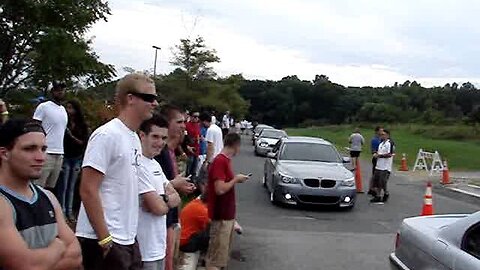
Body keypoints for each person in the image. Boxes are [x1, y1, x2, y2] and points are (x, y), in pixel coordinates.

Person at [76, 73, 158, 270]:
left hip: (127, 237)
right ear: (130, 99)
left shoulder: (133, 138)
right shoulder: (107, 135)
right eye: (149, 97)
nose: (155, 103)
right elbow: (88, 189)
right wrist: (105, 239)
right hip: (103, 238)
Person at [0, 119, 82, 269]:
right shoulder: (3, 203)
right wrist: (57, 247)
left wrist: (40, 263)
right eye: (29, 149)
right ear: (5, 154)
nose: (40, 157)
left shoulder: (48, 198)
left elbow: (75, 255)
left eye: (43, 149)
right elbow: (25, 266)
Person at [137, 115, 182, 270]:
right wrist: (164, 201)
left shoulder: (155, 164)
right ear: (142, 135)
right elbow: (157, 208)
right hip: (142, 250)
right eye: (155, 137)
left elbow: (176, 198)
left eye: (163, 138)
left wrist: (161, 199)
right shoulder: (137, 164)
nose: (160, 143)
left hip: (158, 247)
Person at [155, 104, 196, 270]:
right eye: (179, 122)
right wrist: (175, 184)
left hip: (171, 217)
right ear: (167, 124)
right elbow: (155, 189)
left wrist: (180, 186)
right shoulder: (159, 153)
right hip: (162, 220)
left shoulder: (171, 151)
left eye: (184, 122)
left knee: (169, 261)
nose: (183, 126)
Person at [206, 133, 249, 270]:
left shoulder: (226, 161)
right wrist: (235, 179)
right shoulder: (220, 161)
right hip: (221, 216)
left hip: (227, 216)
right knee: (216, 258)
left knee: (222, 256)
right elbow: (219, 189)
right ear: (236, 145)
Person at [33, 82, 68, 190]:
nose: (61, 92)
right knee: (38, 185)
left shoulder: (63, 110)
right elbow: (35, 125)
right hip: (46, 151)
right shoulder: (44, 107)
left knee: (51, 187)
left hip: (59, 152)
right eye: (58, 90)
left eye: (62, 90)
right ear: (52, 92)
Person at [60, 100, 89, 221]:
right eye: (67, 107)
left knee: (71, 186)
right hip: (65, 156)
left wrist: (71, 136)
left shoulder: (82, 126)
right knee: (63, 186)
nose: (68, 110)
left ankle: (70, 211)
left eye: (71, 108)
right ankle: (62, 211)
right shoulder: (63, 123)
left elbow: (83, 142)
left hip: (76, 157)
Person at [371, 129, 395, 203]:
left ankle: (386, 193)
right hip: (379, 165)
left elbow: (390, 154)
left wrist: (379, 156)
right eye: (381, 134)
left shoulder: (389, 143)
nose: (381, 136)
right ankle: (378, 196)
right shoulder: (381, 144)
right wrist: (375, 154)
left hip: (385, 167)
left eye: (383, 134)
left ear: (387, 135)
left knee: (382, 182)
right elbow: (378, 151)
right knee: (377, 181)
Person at [368, 126, 383, 196]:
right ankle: (372, 188)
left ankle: (371, 188)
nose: (382, 132)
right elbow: (373, 150)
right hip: (376, 158)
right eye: (380, 131)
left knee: (376, 174)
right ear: (377, 132)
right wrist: (375, 154)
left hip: (381, 159)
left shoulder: (381, 139)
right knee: (375, 174)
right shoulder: (375, 140)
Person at [185, 112, 201, 178]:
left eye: (197, 117)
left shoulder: (197, 125)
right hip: (189, 150)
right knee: (188, 170)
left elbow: (199, 135)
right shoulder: (186, 125)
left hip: (197, 150)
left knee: (194, 170)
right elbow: (184, 137)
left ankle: (193, 183)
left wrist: (199, 138)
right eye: (195, 116)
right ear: (191, 117)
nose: (196, 118)